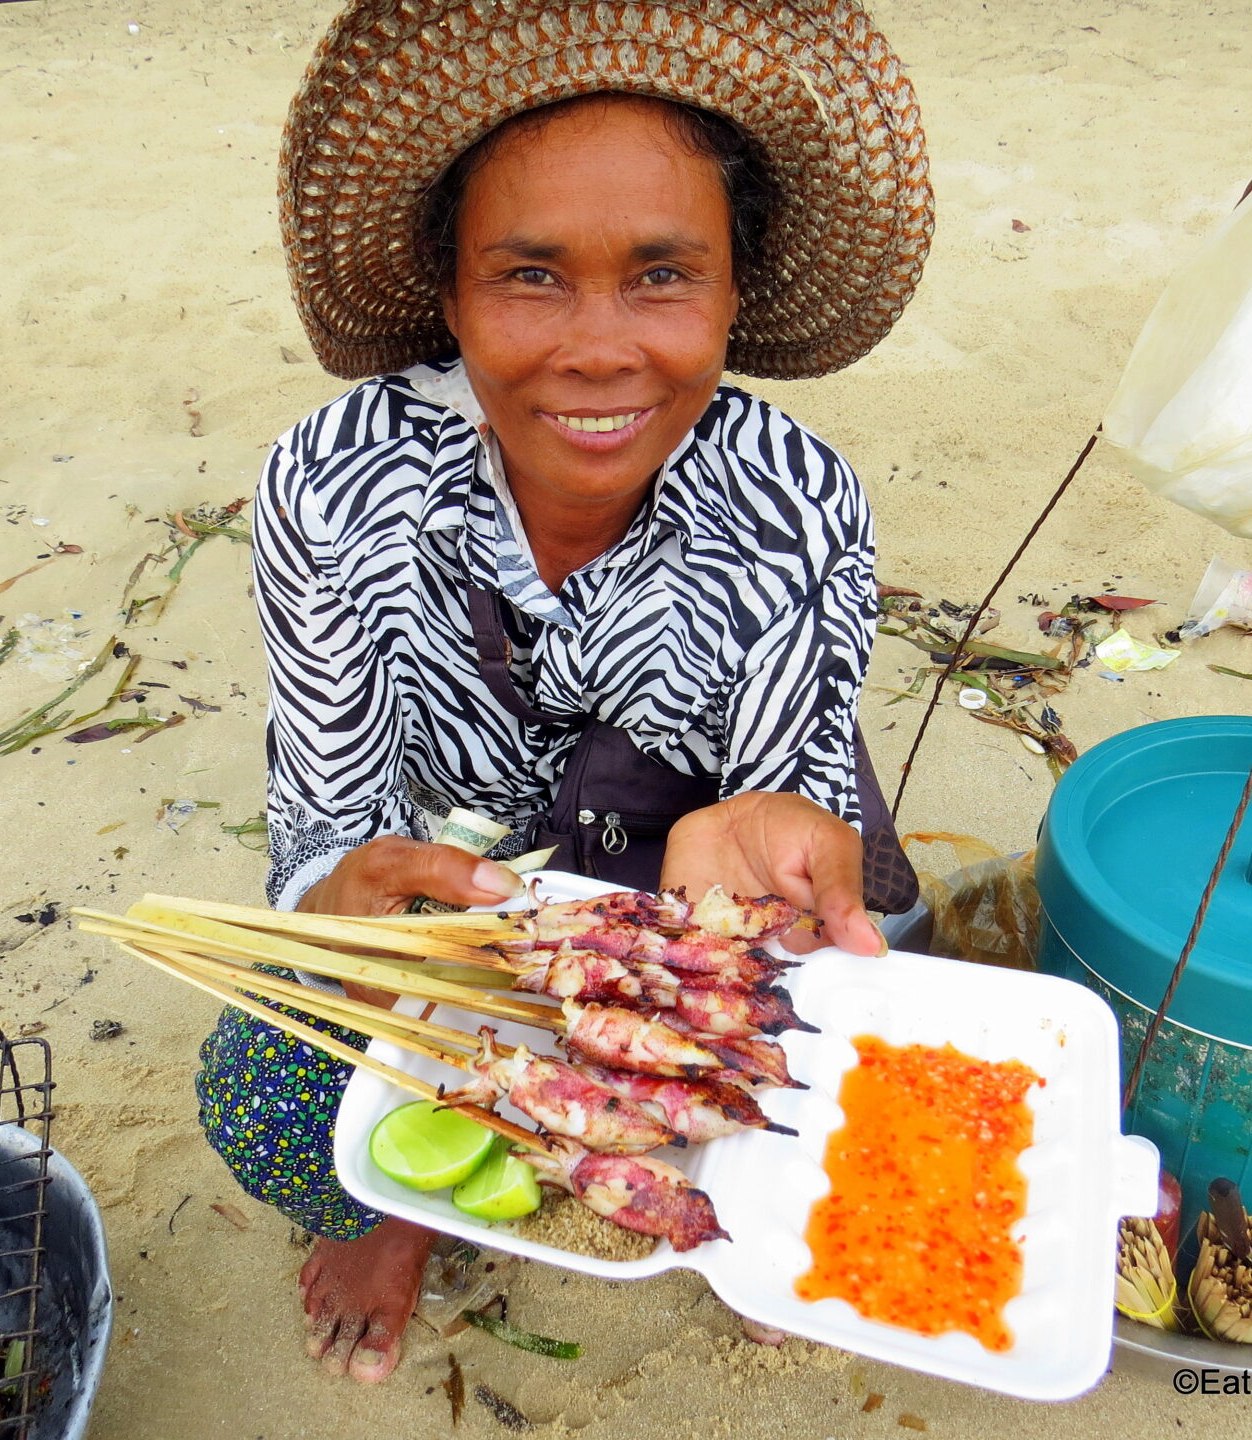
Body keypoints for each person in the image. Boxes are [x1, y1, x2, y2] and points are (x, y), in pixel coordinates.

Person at [196, 0, 933, 1384]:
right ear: (449, 293)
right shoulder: (334, 487)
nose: (599, 350)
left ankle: (726, 1210)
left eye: (664, 277)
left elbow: (784, 796)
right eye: (530, 276)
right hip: (466, 914)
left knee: (846, 1027)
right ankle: (404, 1207)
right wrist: (338, 902)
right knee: (267, 1103)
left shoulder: (797, 502)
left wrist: (770, 853)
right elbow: (325, 821)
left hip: (691, 894)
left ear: (735, 293)